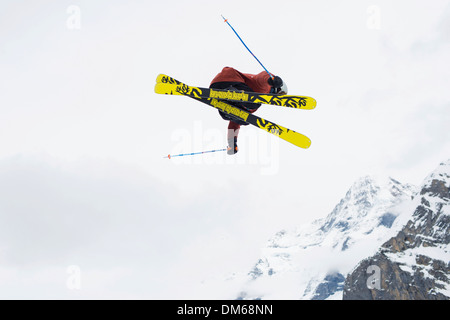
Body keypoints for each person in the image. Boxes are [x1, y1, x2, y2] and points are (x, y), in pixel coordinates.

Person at [209, 67, 288, 155]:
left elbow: (234, 124)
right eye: (279, 94)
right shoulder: (265, 87)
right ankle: (231, 93)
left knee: (244, 119)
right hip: (230, 79)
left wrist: (232, 142)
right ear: (277, 89)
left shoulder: (256, 103)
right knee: (255, 103)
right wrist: (271, 80)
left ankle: (226, 106)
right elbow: (262, 76)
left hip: (216, 86)